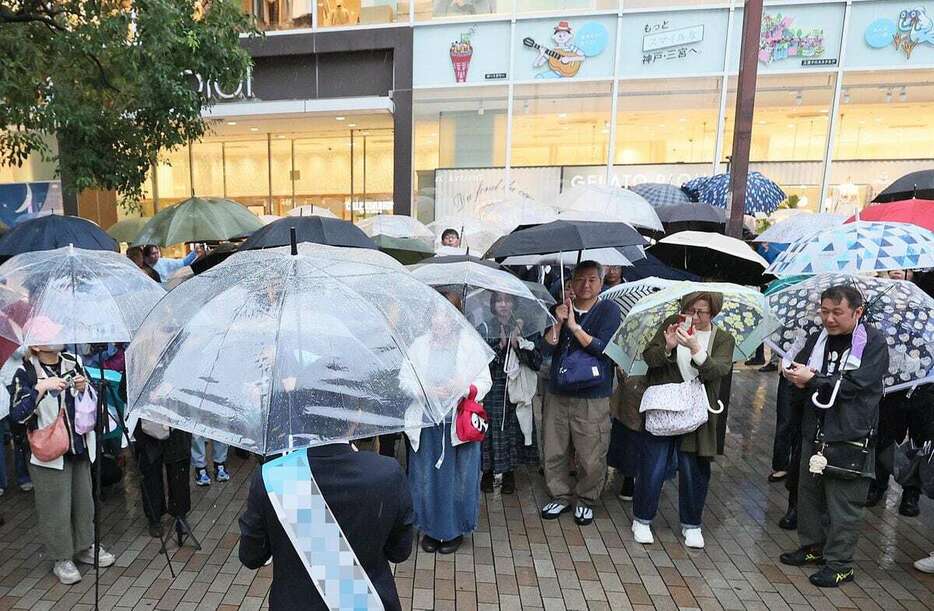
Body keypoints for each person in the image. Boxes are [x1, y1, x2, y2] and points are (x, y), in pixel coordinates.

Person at [779, 285, 888, 588]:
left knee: (844, 504)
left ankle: (841, 564)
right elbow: (804, 367)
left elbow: (857, 384)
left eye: (837, 312)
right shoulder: (818, 339)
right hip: (814, 430)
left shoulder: (872, 343)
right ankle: (813, 546)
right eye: (824, 311)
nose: (828, 319)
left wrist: (813, 379)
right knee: (809, 495)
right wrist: (792, 371)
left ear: (857, 312)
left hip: (849, 434)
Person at [238, 440, 415, 610]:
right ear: (356, 418)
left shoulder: (273, 477)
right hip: (366, 603)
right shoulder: (387, 473)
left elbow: (252, 556)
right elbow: (399, 552)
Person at [631, 292, 734, 548]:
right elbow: (649, 358)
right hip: (665, 407)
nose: (695, 317)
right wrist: (667, 346)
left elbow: (719, 370)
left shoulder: (722, 338)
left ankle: (692, 524)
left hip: (698, 412)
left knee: (694, 468)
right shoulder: (671, 325)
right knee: (653, 465)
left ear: (713, 312)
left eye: (702, 311)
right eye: (690, 310)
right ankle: (642, 519)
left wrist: (696, 349)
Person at [9, 344, 115, 585]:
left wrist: (83, 387)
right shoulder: (26, 371)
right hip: (48, 451)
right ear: (35, 344)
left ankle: (85, 546)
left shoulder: (72, 361)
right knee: (54, 507)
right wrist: (40, 388)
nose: (57, 338)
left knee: (83, 501)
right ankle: (61, 558)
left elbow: (92, 399)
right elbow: (18, 415)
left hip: (78, 444)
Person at [405, 291, 492, 555]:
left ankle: (454, 531)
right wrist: (425, 390)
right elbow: (404, 379)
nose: (439, 320)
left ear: (456, 317)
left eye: (446, 314)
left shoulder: (471, 344)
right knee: (425, 476)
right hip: (428, 421)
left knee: (459, 477)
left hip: (459, 423)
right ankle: (430, 528)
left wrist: (463, 387)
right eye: (435, 314)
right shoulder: (419, 345)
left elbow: (484, 381)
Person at [540, 261, 620, 526]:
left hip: (593, 394)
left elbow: (603, 349)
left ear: (601, 282)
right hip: (558, 390)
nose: (586, 285)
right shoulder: (560, 309)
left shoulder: (608, 310)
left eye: (592, 280)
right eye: (580, 280)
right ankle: (559, 495)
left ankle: (586, 499)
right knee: (554, 447)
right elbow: (547, 350)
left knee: (591, 452)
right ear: (571, 282)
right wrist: (559, 323)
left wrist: (575, 327)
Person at [479, 292, 542, 495]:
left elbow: (536, 362)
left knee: (512, 431)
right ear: (493, 304)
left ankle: (509, 473)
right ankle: (488, 471)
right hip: (493, 388)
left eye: (507, 300)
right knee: (489, 431)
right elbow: (479, 362)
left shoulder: (525, 326)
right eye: (499, 301)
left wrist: (518, 345)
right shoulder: (485, 327)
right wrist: (500, 348)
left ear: (513, 303)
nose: (503, 305)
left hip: (516, 388)